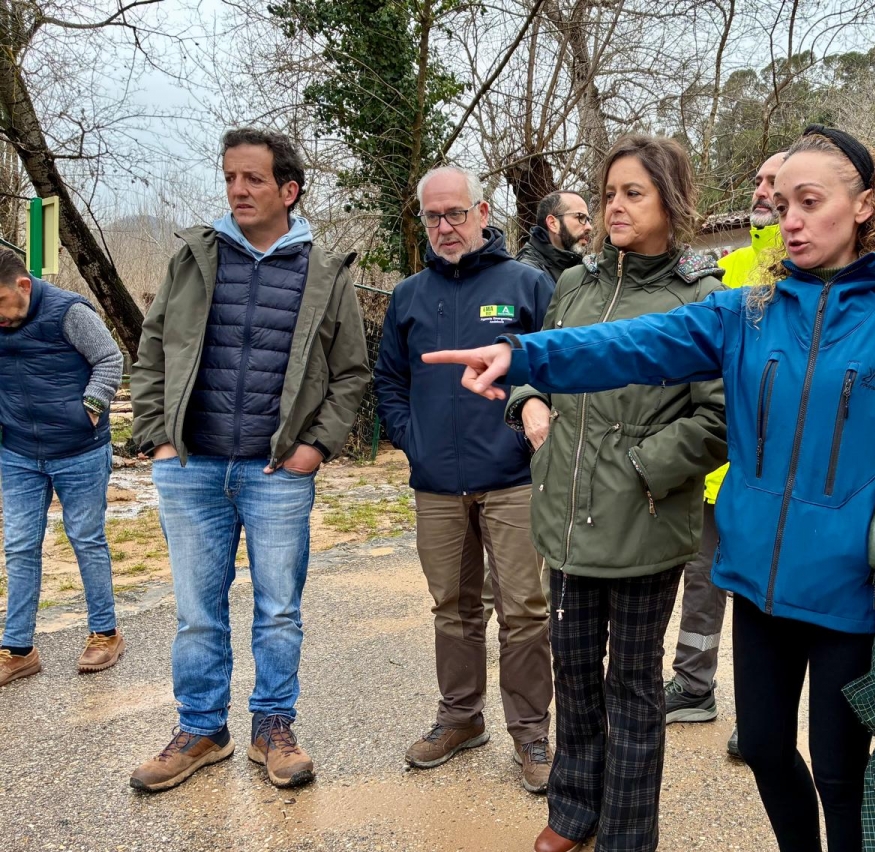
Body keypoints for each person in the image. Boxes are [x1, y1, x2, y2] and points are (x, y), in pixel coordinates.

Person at [426, 125, 875, 852]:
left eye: (811, 202)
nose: (790, 221)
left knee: (840, 769)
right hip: (762, 586)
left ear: (866, 205)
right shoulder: (747, 311)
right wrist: (525, 356)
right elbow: (631, 343)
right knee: (770, 748)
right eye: (781, 205)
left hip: (851, 587)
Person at [486, 134, 727, 852]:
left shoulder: (700, 299)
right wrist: (527, 404)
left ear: (671, 203)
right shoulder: (575, 287)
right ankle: (573, 805)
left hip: (646, 522)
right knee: (573, 675)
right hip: (565, 518)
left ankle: (626, 833)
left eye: (634, 194)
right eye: (609, 193)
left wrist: (639, 468)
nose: (615, 208)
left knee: (631, 685)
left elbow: (718, 418)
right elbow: (541, 367)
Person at [129, 128, 370, 792]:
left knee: (279, 611)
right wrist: (159, 437)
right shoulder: (193, 256)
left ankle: (273, 729)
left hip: (275, 476)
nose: (238, 189)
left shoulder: (324, 270)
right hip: (192, 469)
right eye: (231, 176)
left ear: (288, 191)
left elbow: (350, 373)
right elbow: (152, 350)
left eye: (254, 179)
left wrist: (316, 446)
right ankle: (202, 729)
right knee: (197, 612)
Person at [374, 165, 557, 794]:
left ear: (484, 213)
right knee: (452, 608)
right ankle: (460, 717)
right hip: (437, 485)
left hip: (512, 478)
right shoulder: (408, 296)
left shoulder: (528, 284)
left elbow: (556, 366)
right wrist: (412, 439)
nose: (445, 227)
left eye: (456, 214)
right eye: (433, 217)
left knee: (525, 610)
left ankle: (531, 731)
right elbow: (389, 383)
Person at [665, 150, 788, 760]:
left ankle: (762, 714)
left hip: (776, 471)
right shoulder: (728, 266)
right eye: (759, 178)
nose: (761, 189)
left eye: (774, 180)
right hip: (717, 465)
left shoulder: (804, 265)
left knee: (768, 594)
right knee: (703, 580)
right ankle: (692, 686)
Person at [0, 249, 125, 686]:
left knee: (86, 538)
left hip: (80, 450)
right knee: (19, 545)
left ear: (23, 286)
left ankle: (105, 633)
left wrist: (89, 409)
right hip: (17, 452)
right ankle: (18, 648)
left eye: (0, 302)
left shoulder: (68, 312)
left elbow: (111, 359)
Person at [515, 190, 593, 283]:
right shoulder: (527, 275)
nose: (589, 227)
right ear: (553, 223)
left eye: (588, 220)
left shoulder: (581, 266)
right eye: (580, 217)